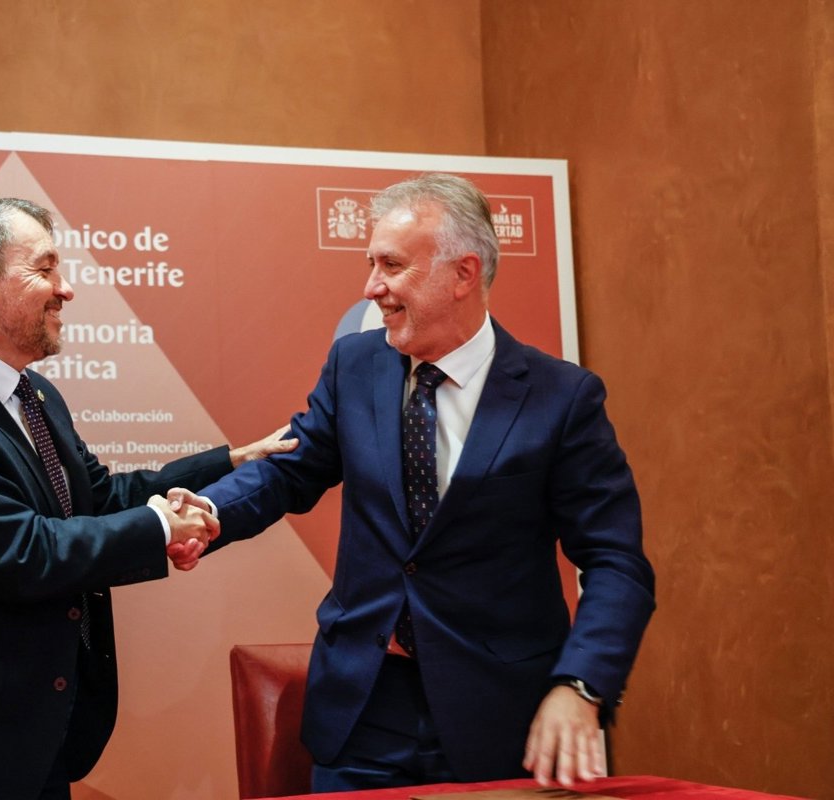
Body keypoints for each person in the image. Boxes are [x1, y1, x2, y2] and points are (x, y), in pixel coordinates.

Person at [169, 173, 655, 791]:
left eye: (392, 266)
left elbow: (615, 561)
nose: (372, 287)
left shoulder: (561, 398)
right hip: (362, 709)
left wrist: (581, 685)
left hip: (499, 717)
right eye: (372, 264)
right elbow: (291, 468)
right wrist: (209, 512)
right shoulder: (355, 366)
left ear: (463, 273)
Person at [0, 197, 293, 800]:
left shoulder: (33, 393)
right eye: (44, 269)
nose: (65, 289)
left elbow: (94, 498)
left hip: (25, 732)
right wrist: (159, 527)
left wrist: (225, 464)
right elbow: (19, 552)